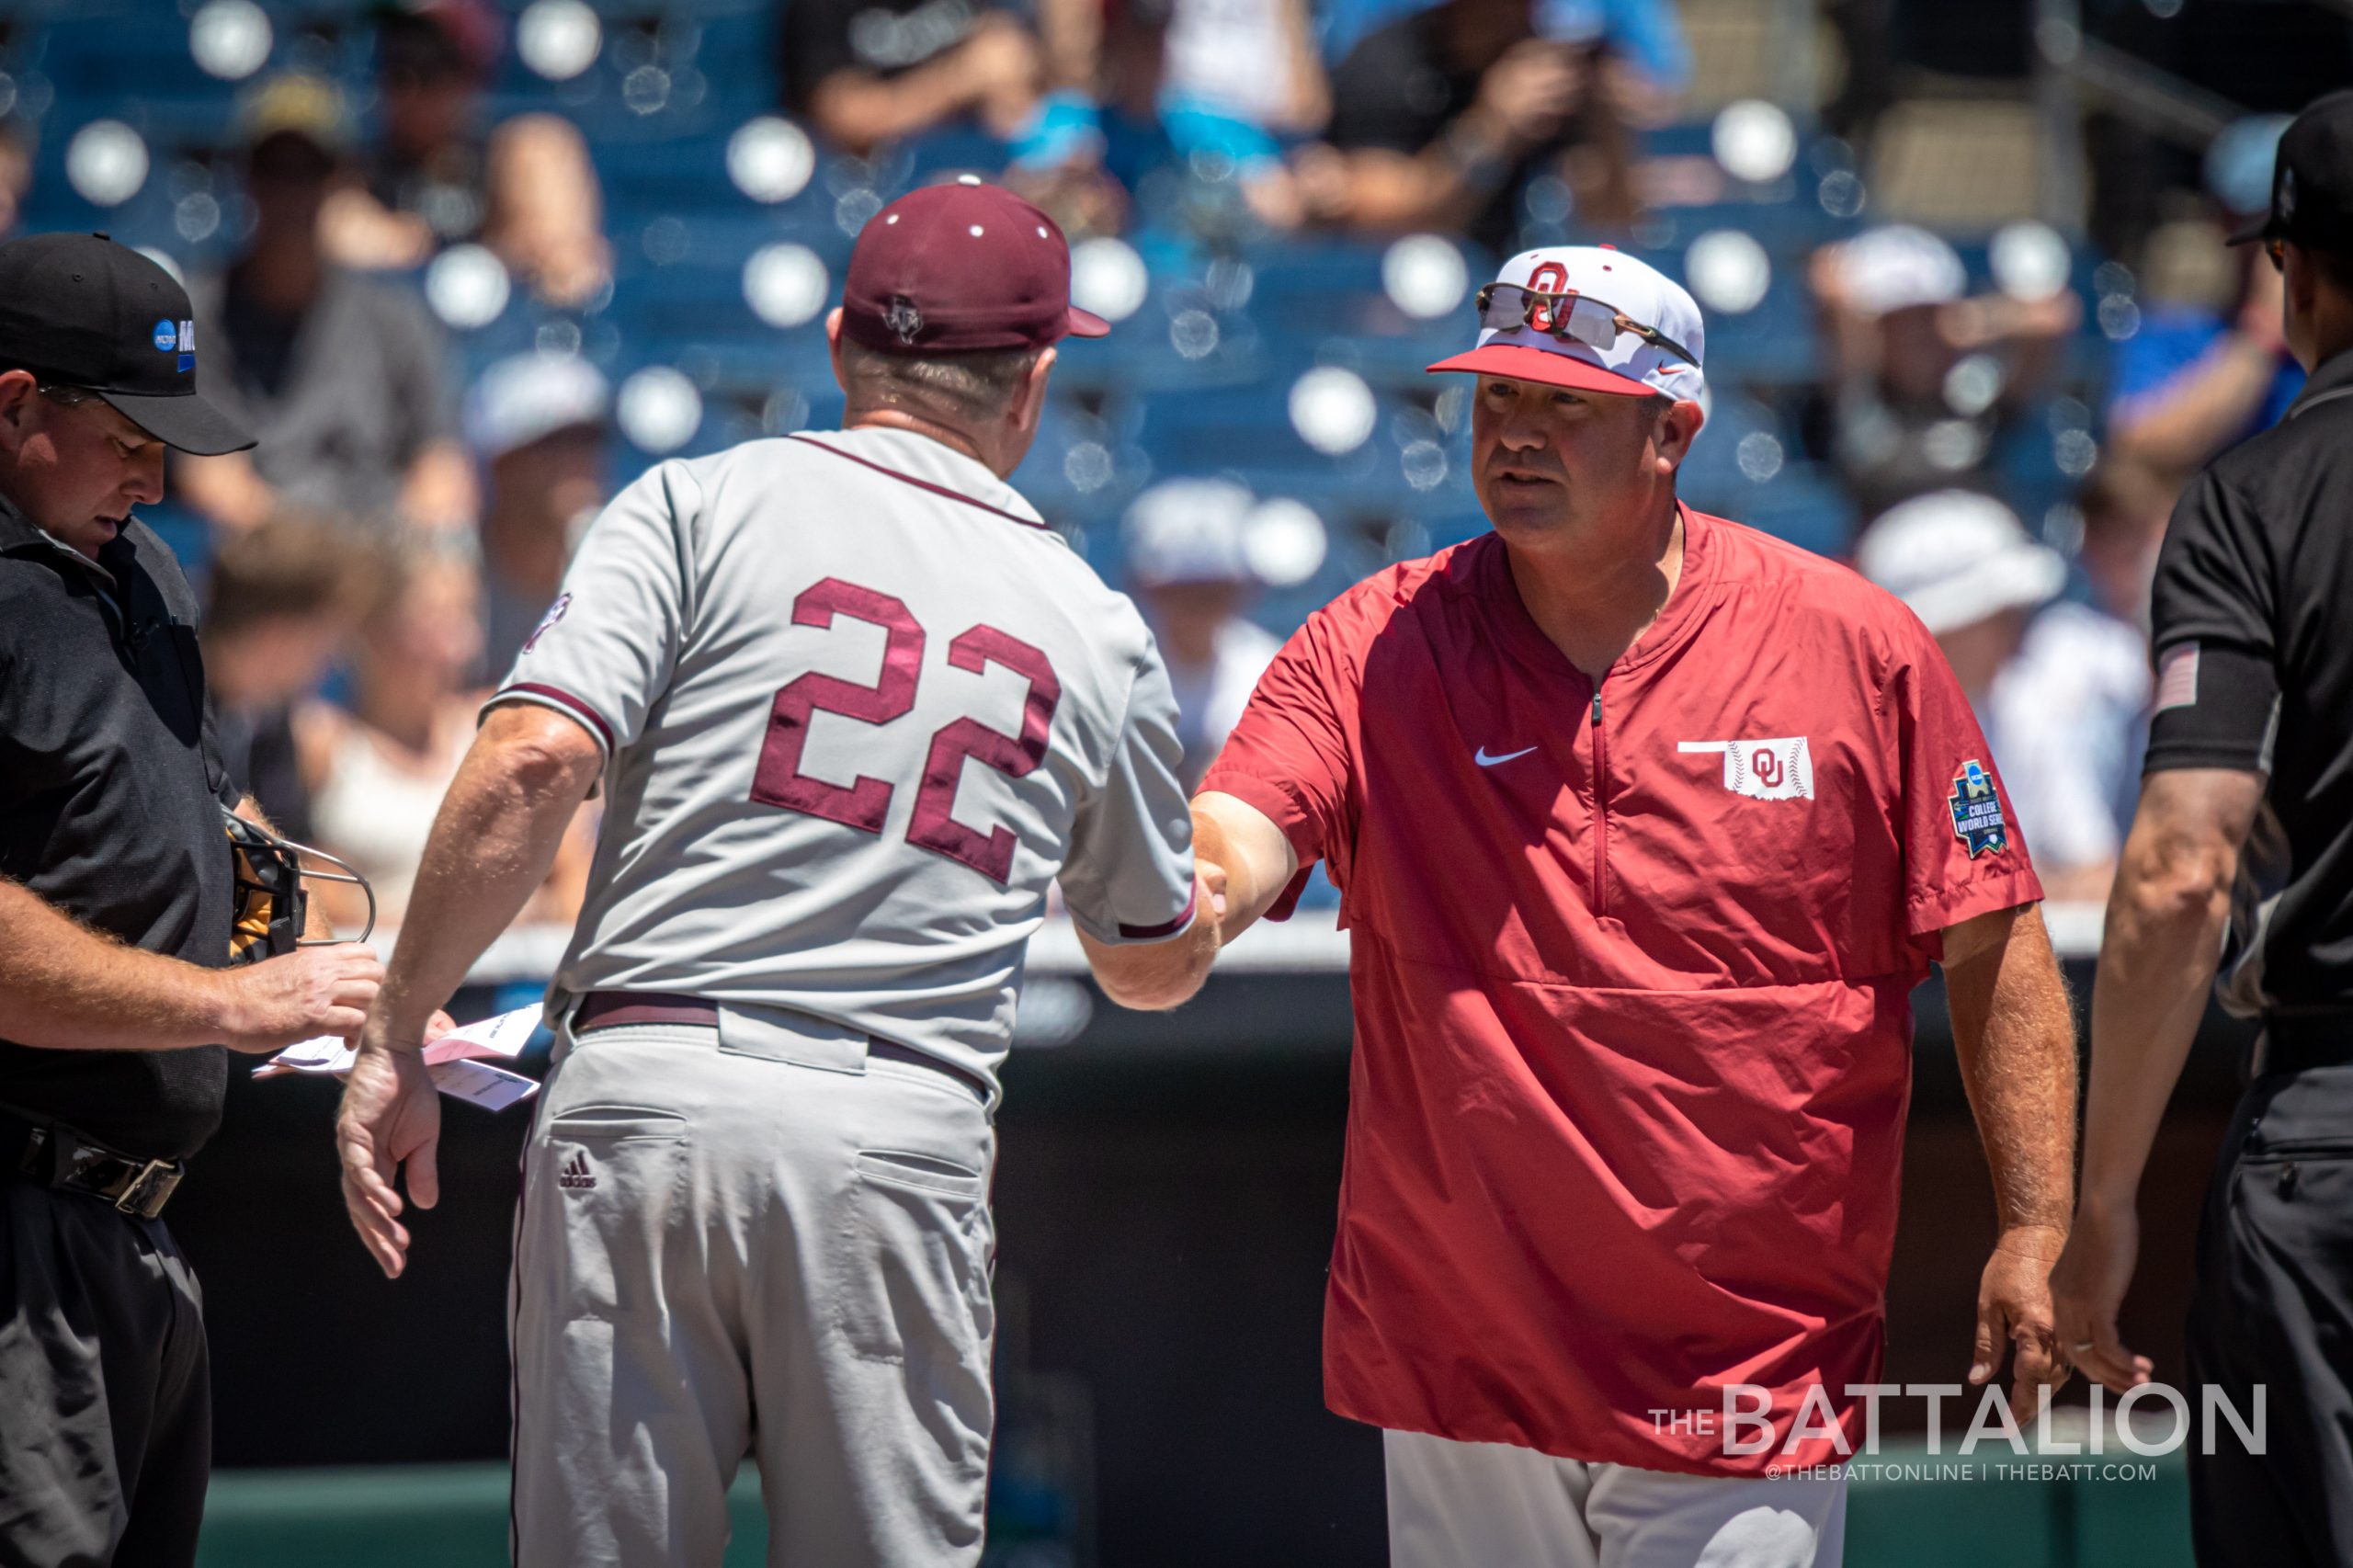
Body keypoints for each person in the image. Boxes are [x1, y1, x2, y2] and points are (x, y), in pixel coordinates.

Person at [334, 181, 1222, 1567]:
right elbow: (1149, 961)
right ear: (1036, 382)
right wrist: (1208, 892)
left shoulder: (695, 501)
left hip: (646, 1096)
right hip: (893, 1123)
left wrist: (400, 1026)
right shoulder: (1092, 623)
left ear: (837, 346)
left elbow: (525, 764)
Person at [1189, 247, 2078, 1567]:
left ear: (1673, 429)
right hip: (1467, 1360)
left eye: (1567, 409)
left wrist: (2038, 1221)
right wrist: (1193, 891)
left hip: (1750, 1364)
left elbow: (1994, 941)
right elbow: (1244, 830)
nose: (1519, 437)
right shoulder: (1377, 640)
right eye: (1498, 404)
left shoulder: (1855, 645)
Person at [0, 233, 385, 1568]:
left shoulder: (144, 574)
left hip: (144, 1234)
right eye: (123, 435)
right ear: (13, 403)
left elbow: (202, 823)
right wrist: (223, 1001)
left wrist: (329, 969)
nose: (154, 471)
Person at [2054, 89, 2353, 1568]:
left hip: (2335, 1141)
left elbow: (2178, 872)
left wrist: (2101, 1199)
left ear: (2293, 276)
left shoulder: (2252, 499)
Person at [175, 74, 476, 539]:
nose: (292, 191)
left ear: (343, 179)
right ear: (245, 175)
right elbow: (212, 480)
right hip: (262, 566)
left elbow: (442, 472)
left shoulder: (396, 317)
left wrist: (394, 552)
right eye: (275, 167)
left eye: (310, 169)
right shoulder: (196, 315)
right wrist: (321, 556)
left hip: (378, 562)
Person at [1856, 490, 2148, 902]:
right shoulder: (1855, 735)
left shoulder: (2024, 708)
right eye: (1997, 615)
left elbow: (2094, 872)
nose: (2015, 630)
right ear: (1939, 630)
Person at [295, 536, 590, 932]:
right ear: (371, 629)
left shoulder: (501, 726)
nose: (460, 647)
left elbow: (574, 884)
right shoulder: (319, 743)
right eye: (434, 621)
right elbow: (314, 901)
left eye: (465, 617)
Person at [1263, 0, 1688, 245]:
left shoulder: (1566, 69)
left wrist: (1606, 125)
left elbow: (1614, 227)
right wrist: (1489, 132)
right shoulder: (1386, 60)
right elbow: (1379, 214)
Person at [321, 0, 611, 309]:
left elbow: (568, 269)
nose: (409, 87)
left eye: (428, 67)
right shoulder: (357, 171)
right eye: (394, 65)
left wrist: (416, 248)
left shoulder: (524, 152)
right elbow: (335, 237)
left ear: (470, 74)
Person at [1803, 224, 2079, 523]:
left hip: (1987, 539)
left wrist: (1968, 321)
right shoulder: (1859, 396)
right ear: (1876, 330)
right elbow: (1825, 279)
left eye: (1929, 319)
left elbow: (2054, 315)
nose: (1921, 336)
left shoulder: (1972, 391)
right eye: (1902, 322)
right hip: (1894, 550)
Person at [202, 512, 372, 842]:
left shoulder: (270, 716)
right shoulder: (168, 719)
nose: (333, 659)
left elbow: (295, 843)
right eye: (327, 636)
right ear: (278, 634)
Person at [1122, 477, 1281, 790]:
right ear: (1145, 590)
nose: (1198, 608)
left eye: (1213, 592)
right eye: (1182, 592)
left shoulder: (1270, 673)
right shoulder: (1113, 671)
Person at [464, 351, 611, 676]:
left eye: (589, 438)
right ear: (502, 464)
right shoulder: (451, 578)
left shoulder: (623, 565)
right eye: (553, 443)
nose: (577, 460)